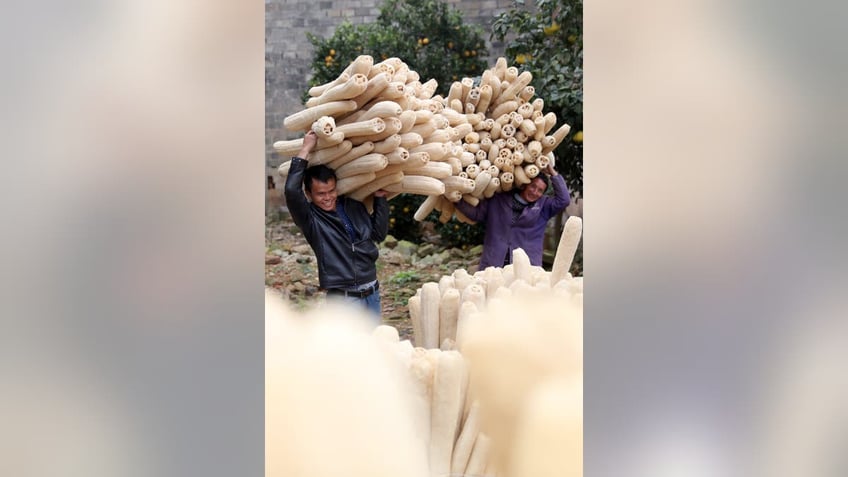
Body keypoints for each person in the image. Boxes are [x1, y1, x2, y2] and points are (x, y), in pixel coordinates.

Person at [284, 130, 389, 320]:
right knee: (345, 349)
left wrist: (380, 200)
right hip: (343, 299)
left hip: (372, 292)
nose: (327, 198)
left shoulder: (354, 206)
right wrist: (306, 148)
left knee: (375, 347)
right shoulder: (310, 219)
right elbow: (291, 190)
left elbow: (378, 235)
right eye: (321, 194)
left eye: (331, 191)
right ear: (308, 194)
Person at [454, 163, 570, 270]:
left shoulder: (544, 206)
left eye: (540, 190)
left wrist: (552, 173)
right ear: (525, 184)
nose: (535, 192)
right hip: (495, 262)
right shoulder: (499, 198)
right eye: (533, 186)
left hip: (527, 265)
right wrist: (456, 200)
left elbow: (564, 200)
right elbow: (477, 214)